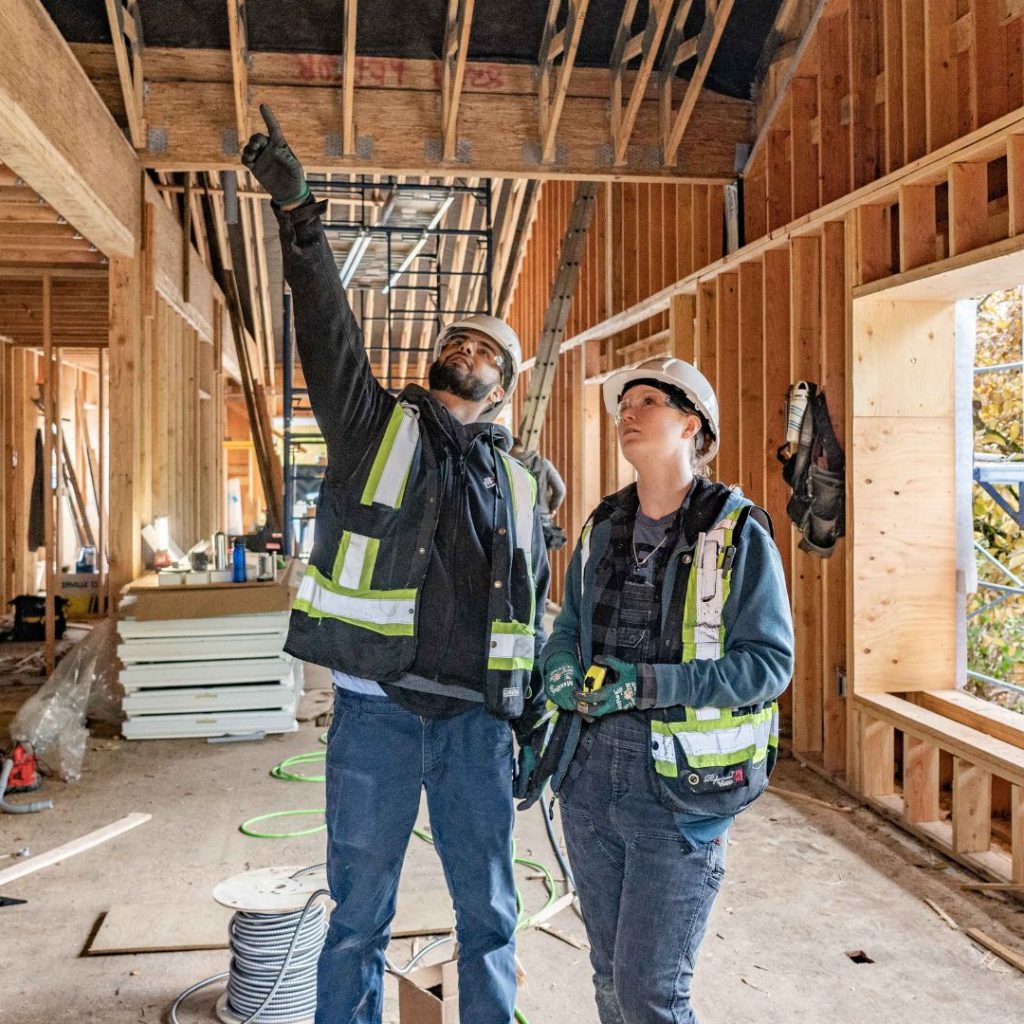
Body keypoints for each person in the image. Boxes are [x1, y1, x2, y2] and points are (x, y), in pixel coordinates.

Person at [242, 105, 549, 1024]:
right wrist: (302, 218)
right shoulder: (373, 427)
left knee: (491, 918)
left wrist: (535, 710)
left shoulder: (529, 484)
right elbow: (328, 329)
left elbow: (535, 609)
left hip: (474, 733)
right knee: (357, 921)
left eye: (488, 346)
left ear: (506, 385)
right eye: (460, 337)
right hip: (375, 720)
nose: (468, 345)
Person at [526, 357, 793, 1024]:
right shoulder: (602, 525)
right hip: (588, 778)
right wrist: (559, 666)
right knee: (610, 977)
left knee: (651, 992)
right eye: (623, 404)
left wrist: (644, 685)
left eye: (647, 401)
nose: (629, 413)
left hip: (680, 793)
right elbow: (569, 626)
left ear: (691, 423)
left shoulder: (736, 530)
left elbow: (766, 665)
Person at [509, 438, 567, 550]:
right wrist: (551, 508)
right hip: (541, 519)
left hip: (516, 520)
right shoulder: (543, 464)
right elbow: (560, 490)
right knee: (540, 561)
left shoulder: (507, 464)